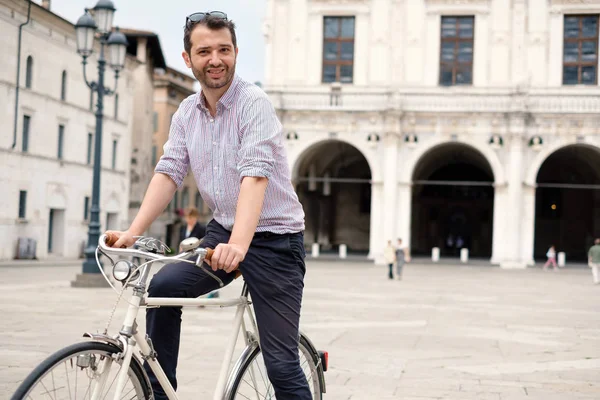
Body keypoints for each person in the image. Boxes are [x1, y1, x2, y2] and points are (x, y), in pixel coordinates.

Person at [105, 11, 311, 399]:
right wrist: (133, 233)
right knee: (161, 291)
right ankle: (160, 393)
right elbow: (168, 173)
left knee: (281, 366)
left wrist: (241, 245)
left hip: (276, 240)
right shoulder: (186, 112)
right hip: (224, 231)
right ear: (188, 58)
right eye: (204, 51)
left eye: (224, 49)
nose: (215, 59)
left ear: (235, 52)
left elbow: (255, 177)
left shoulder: (254, 104)